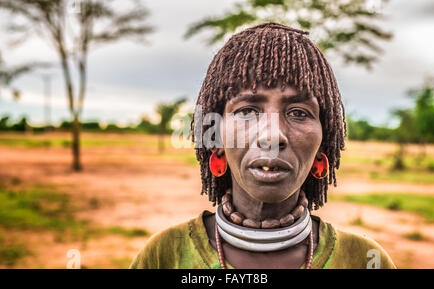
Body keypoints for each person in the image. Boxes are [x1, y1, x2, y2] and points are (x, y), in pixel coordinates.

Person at [130, 22, 396, 269]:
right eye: (247, 111)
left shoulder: (364, 259)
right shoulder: (164, 256)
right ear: (217, 140)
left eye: (298, 113)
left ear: (322, 144)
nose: (273, 135)